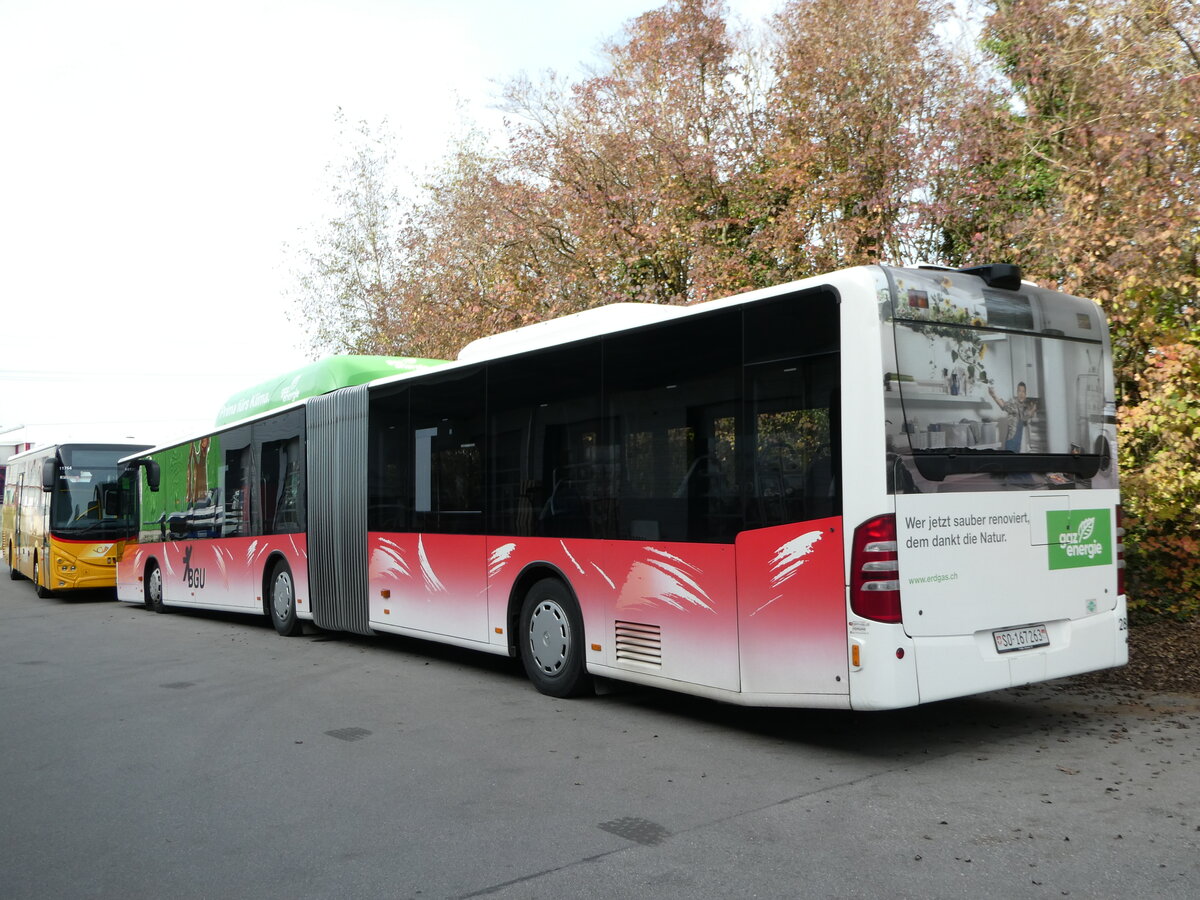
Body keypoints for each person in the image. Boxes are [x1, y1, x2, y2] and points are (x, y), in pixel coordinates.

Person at [988, 381, 1038, 452]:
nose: (1021, 394)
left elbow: (1027, 415)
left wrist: (1033, 408)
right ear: (1017, 393)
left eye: (1023, 391)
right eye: (1019, 391)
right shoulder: (1013, 403)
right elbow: (1003, 405)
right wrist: (993, 395)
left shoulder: (1024, 407)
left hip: (1018, 443)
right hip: (1011, 442)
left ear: (1025, 394)